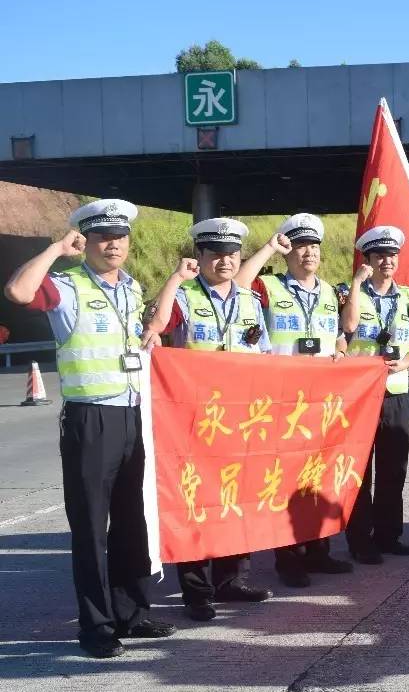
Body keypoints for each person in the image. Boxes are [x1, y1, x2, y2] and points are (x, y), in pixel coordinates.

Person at [4, 200, 174, 657]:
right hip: (90, 419)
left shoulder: (132, 289)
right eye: (101, 237)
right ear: (85, 241)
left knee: (133, 523)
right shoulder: (68, 286)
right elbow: (19, 293)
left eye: (119, 236)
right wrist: (57, 249)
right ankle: (96, 626)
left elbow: (140, 334)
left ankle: (131, 613)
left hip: (133, 415)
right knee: (91, 529)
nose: (112, 243)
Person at [146, 217, 274, 622]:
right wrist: (171, 281)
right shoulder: (183, 297)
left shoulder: (252, 301)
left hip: (242, 419)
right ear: (198, 256)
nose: (225, 260)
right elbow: (155, 330)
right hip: (195, 421)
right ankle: (197, 591)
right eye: (215, 253)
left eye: (232, 253)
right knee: (196, 503)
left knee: (238, 500)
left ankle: (232, 578)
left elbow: (265, 358)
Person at [233, 213, 356, 588]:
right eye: (301, 246)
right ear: (288, 252)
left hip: (321, 404)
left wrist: (340, 347)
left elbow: (341, 334)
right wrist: (269, 246)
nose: (309, 253)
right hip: (282, 404)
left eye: (314, 246)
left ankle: (319, 552)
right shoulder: (268, 287)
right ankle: (289, 560)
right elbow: (237, 285)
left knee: (317, 480)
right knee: (284, 483)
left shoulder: (331, 293)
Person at [340, 225, 409, 564]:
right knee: (359, 472)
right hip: (359, 397)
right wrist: (354, 285)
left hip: (395, 393)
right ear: (367, 260)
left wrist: (403, 365)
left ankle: (389, 535)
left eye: (391, 255)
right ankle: (360, 540)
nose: (386, 261)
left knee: (394, 469)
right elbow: (345, 332)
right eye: (379, 255)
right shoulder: (352, 294)